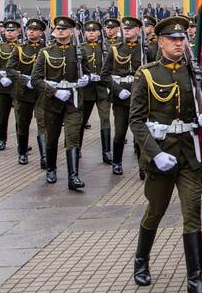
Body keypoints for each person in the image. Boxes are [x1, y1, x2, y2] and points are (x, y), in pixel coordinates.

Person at [130, 15, 202, 293]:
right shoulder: (147, 74)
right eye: (174, 39)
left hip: (188, 152)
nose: (180, 43)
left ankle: (196, 279)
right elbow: (137, 121)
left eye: (183, 39)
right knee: (156, 209)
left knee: (192, 211)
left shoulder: (192, 72)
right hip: (161, 154)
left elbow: (199, 107)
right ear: (160, 41)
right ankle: (141, 260)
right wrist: (155, 154)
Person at [32, 17, 89, 190]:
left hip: (73, 101)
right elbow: (36, 80)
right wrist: (55, 92)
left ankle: (73, 177)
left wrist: (85, 79)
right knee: (52, 137)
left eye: (64, 29)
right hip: (52, 100)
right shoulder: (45, 52)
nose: (60, 31)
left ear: (72, 32)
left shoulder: (79, 52)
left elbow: (85, 73)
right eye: (58, 28)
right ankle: (51, 169)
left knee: (72, 137)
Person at [103, 17, 146, 177]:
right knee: (120, 132)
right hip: (121, 98)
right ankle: (117, 162)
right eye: (125, 28)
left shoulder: (145, 49)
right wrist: (118, 90)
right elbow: (105, 75)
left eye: (131, 28)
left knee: (141, 133)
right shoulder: (115, 49)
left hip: (140, 97)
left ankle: (143, 166)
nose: (127, 30)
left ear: (138, 30)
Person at [6, 18, 46, 164]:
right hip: (23, 91)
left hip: (41, 92)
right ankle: (22, 152)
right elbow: (9, 69)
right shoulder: (20, 48)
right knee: (23, 123)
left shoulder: (46, 48)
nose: (31, 32)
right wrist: (25, 80)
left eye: (35, 29)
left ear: (41, 32)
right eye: (29, 29)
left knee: (43, 123)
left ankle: (44, 156)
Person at [78, 20, 112, 164]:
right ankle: (76, 147)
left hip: (102, 89)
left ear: (99, 32)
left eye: (94, 31)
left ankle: (106, 152)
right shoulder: (80, 48)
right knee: (82, 120)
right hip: (87, 91)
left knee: (105, 119)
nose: (91, 33)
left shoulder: (106, 48)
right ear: (85, 33)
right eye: (88, 31)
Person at [0, 20, 21, 145]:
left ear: (18, 32)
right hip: (3, 85)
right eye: (7, 30)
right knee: (4, 115)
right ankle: (2, 139)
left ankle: (21, 142)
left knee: (20, 115)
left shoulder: (22, 47)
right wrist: (0, 78)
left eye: (12, 30)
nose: (9, 33)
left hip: (18, 85)